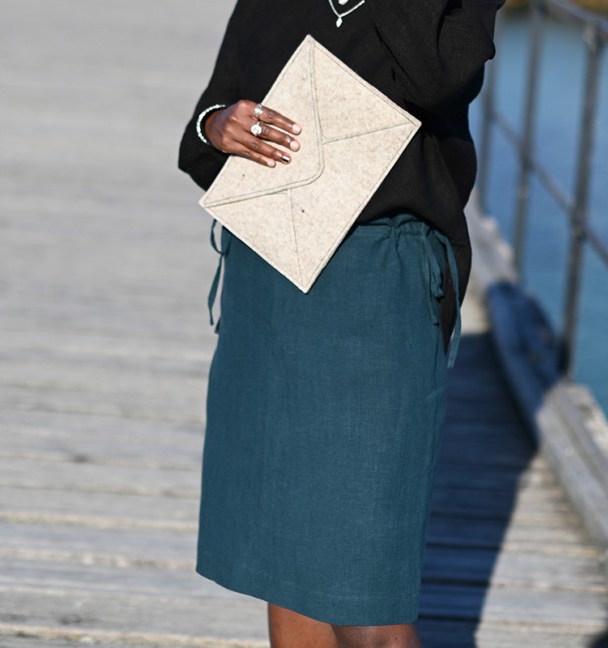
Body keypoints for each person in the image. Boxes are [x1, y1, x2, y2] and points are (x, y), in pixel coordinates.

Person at [178, 1, 503, 646]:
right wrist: (219, 126)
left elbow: (436, 78)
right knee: (286, 564)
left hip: (375, 284)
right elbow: (206, 123)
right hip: (269, 270)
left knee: (366, 596)